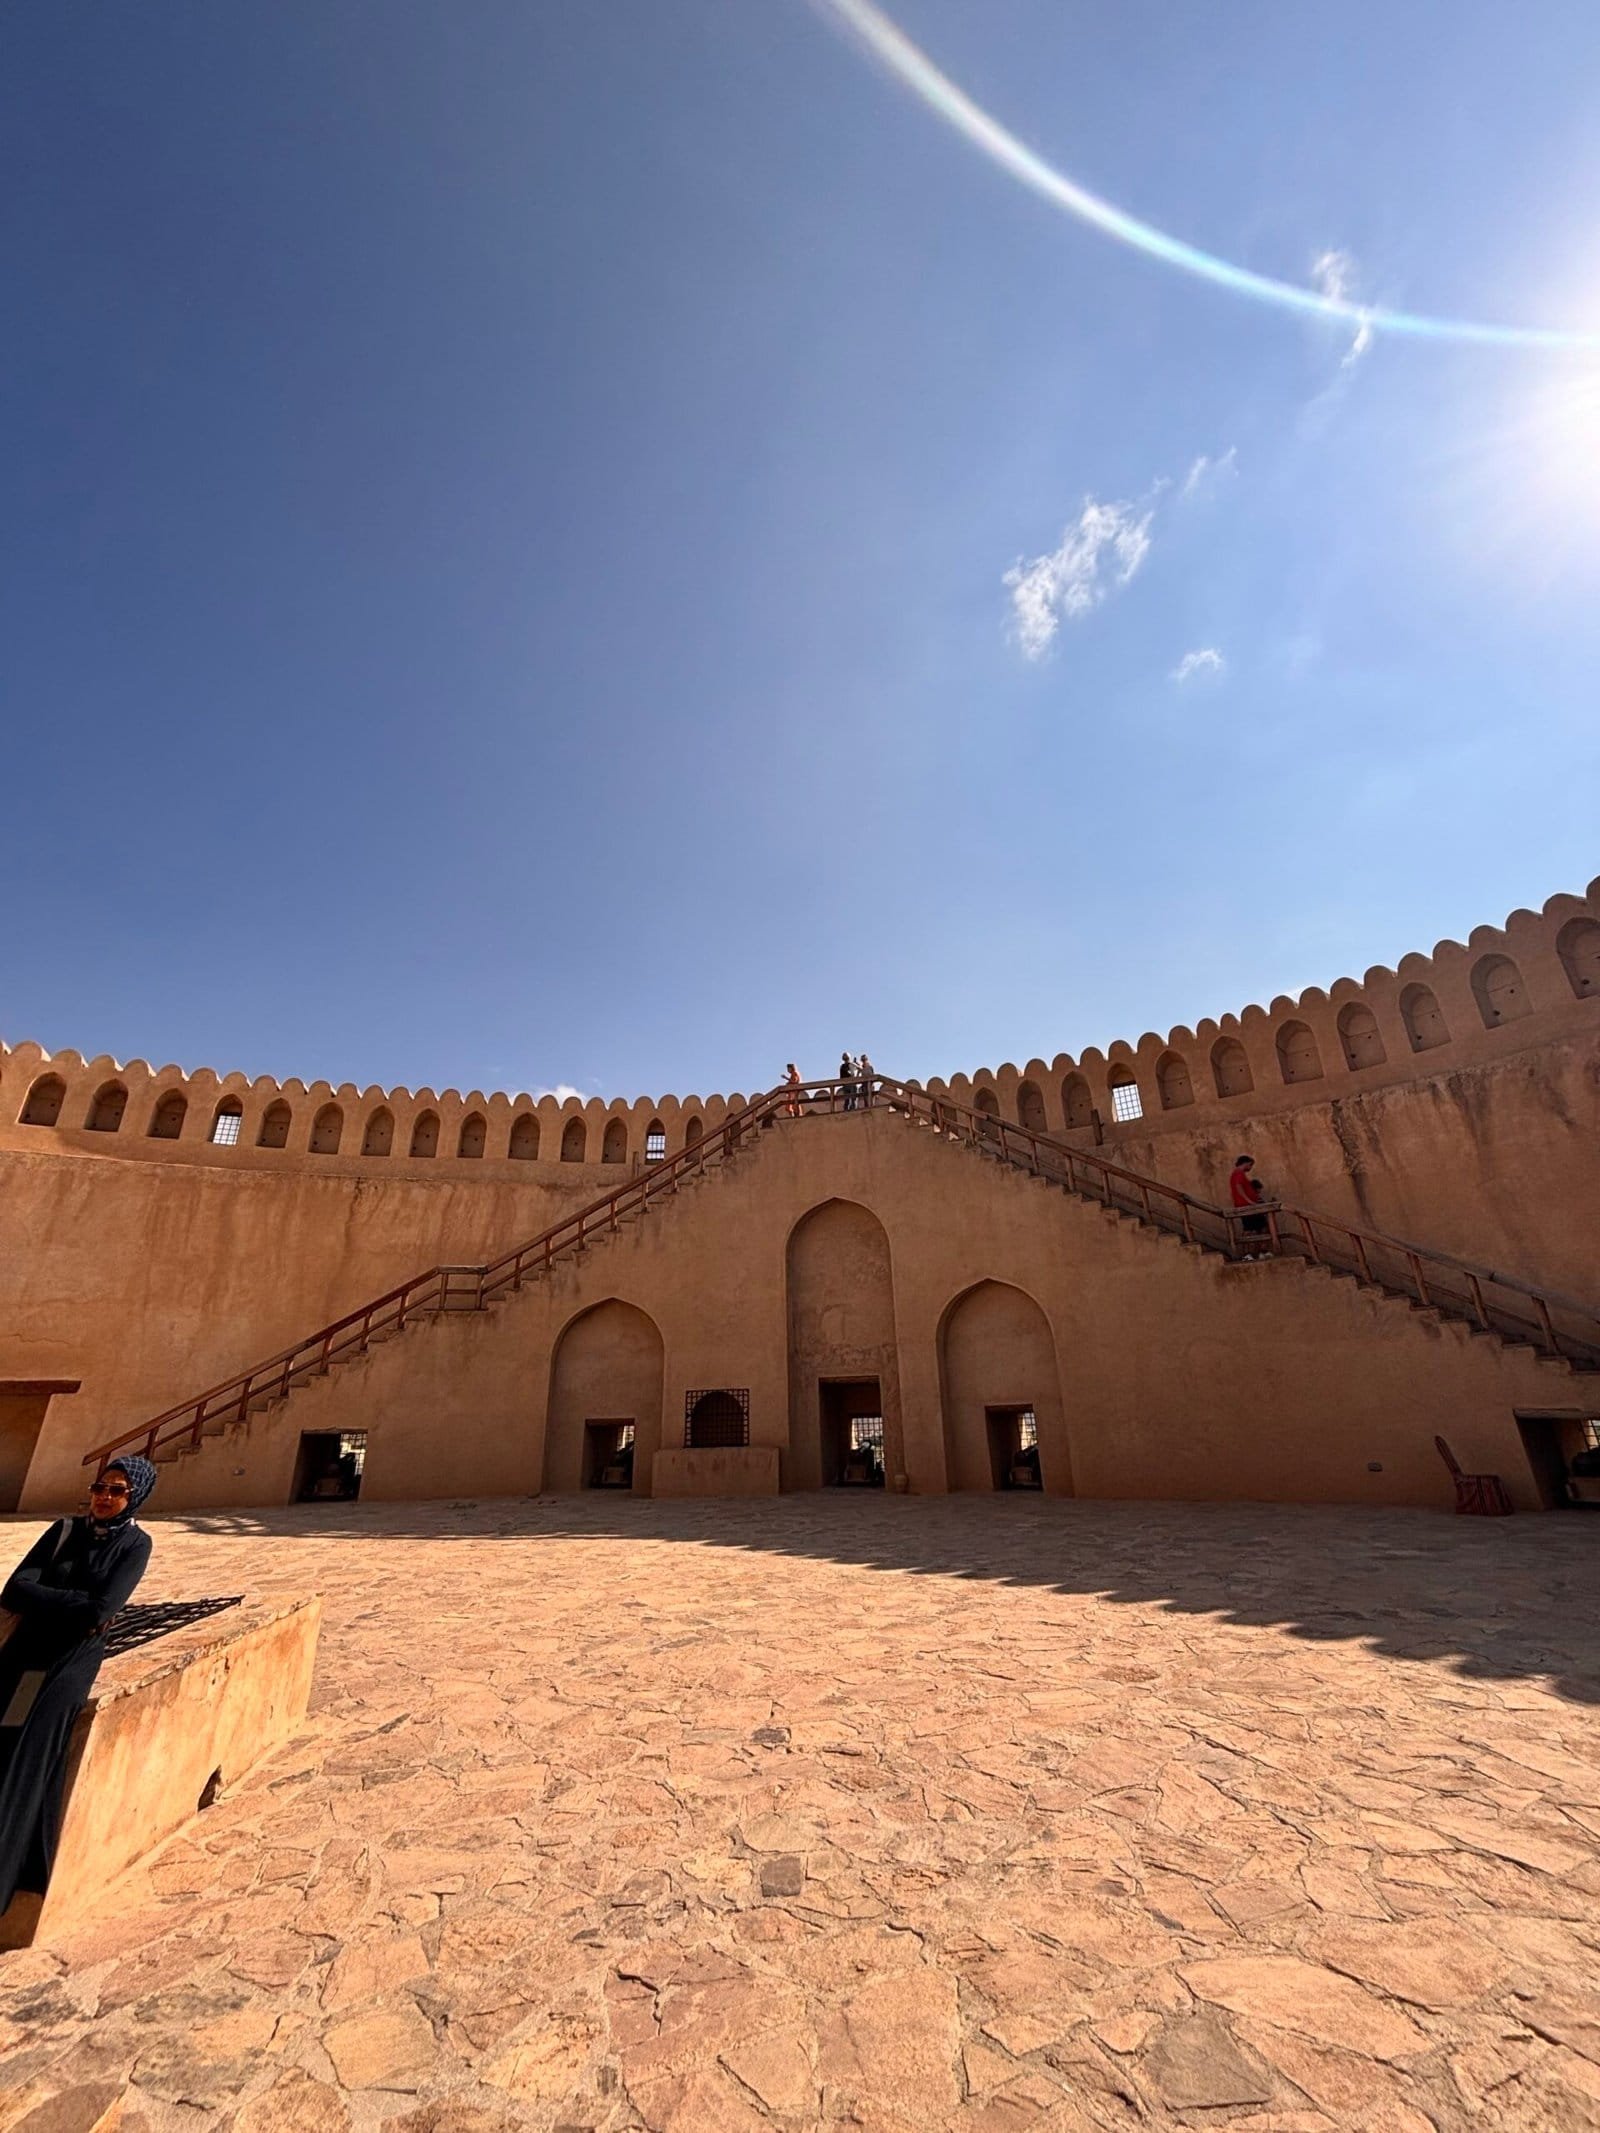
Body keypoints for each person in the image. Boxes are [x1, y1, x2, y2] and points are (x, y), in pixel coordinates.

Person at [0, 1457, 157, 1915]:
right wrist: (76, 1605)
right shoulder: (64, 1531)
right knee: (7, 1742)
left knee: (30, 1758)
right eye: (100, 1487)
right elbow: (14, 1591)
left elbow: (101, 1610)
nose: (105, 1497)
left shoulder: (135, 1544)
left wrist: (55, 1601)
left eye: (117, 1491)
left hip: (68, 1663)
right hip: (24, 1657)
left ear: (136, 1496)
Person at [1229, 1154, 1271, 1259]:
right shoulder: (1239, 1173)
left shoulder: (1239, 1174)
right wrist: (1249, 1201)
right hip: (1246, 1206)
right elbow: (1239, 1188)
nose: (1250, 1168)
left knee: (1259, 1227)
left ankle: (1260, 1252)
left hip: (1248, 1205)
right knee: (1250, 1229)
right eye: (1250, 1165)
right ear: (1246, 1163)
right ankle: (1247, 1254)